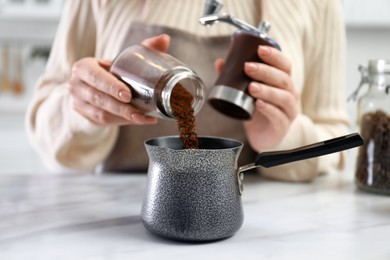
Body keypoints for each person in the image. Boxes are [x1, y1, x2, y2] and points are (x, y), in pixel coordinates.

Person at [26, 0, 350, 181]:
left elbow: (336, 142)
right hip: (117, 225)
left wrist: (285, 139)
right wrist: (81, 111)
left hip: (261, 230)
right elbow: (45, 125)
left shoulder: (315, 5)